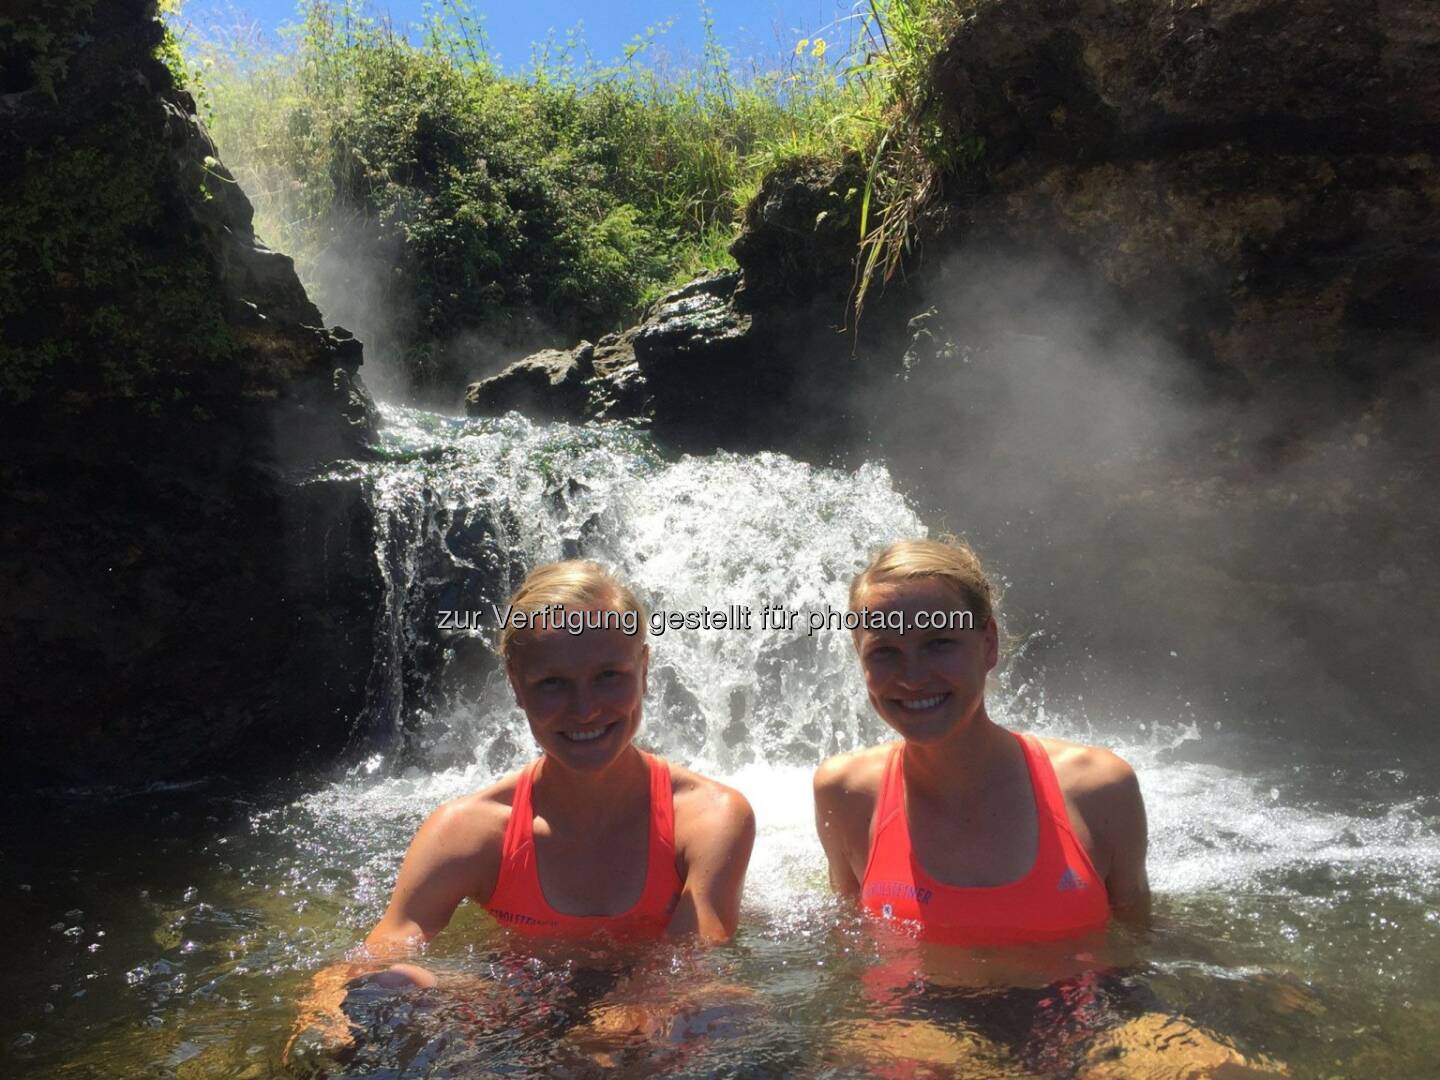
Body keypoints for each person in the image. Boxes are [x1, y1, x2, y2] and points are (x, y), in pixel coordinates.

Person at [292, 560, 754, 1054]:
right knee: (391, 987)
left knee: (725, 1007)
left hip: (646, 1022)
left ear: (644, 667)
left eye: (609, 676)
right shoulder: (471, 829)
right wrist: (325, 1006)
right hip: (518, 1016)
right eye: (552, 683)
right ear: (516, 684)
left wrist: (605, 1037)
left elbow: (685, 964)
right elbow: (387, 945)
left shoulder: (709, 816)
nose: (584, 709)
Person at [813, 537, 1150, 946]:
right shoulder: (845, 791)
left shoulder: (1098, 786)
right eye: (885, 651)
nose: (913, 677)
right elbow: (851, 949)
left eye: (938, 644)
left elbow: (1137, 946)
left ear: (987, 644)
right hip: (907, 1012)